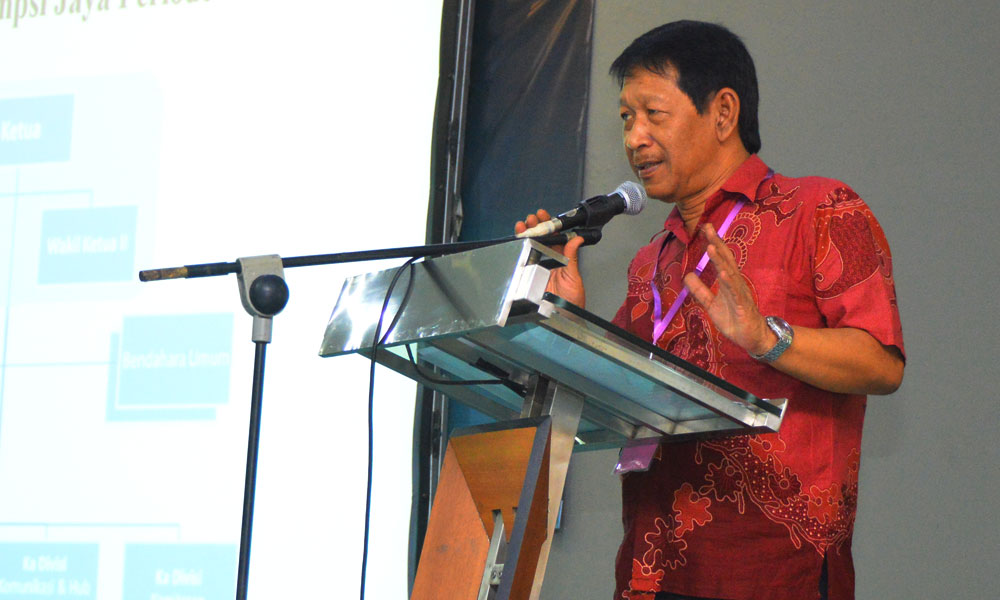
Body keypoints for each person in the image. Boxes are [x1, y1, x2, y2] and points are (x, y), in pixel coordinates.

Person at [515, 20, 905, 600]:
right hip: (653, 571)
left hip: (773, 573)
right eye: (625, 118)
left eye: (653, 114)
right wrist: (564, 319)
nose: (635, 138)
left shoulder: (820, 210)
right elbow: (614, 391)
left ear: (723, 113)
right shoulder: (651, 259)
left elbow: (882, 363)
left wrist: (767, 339)